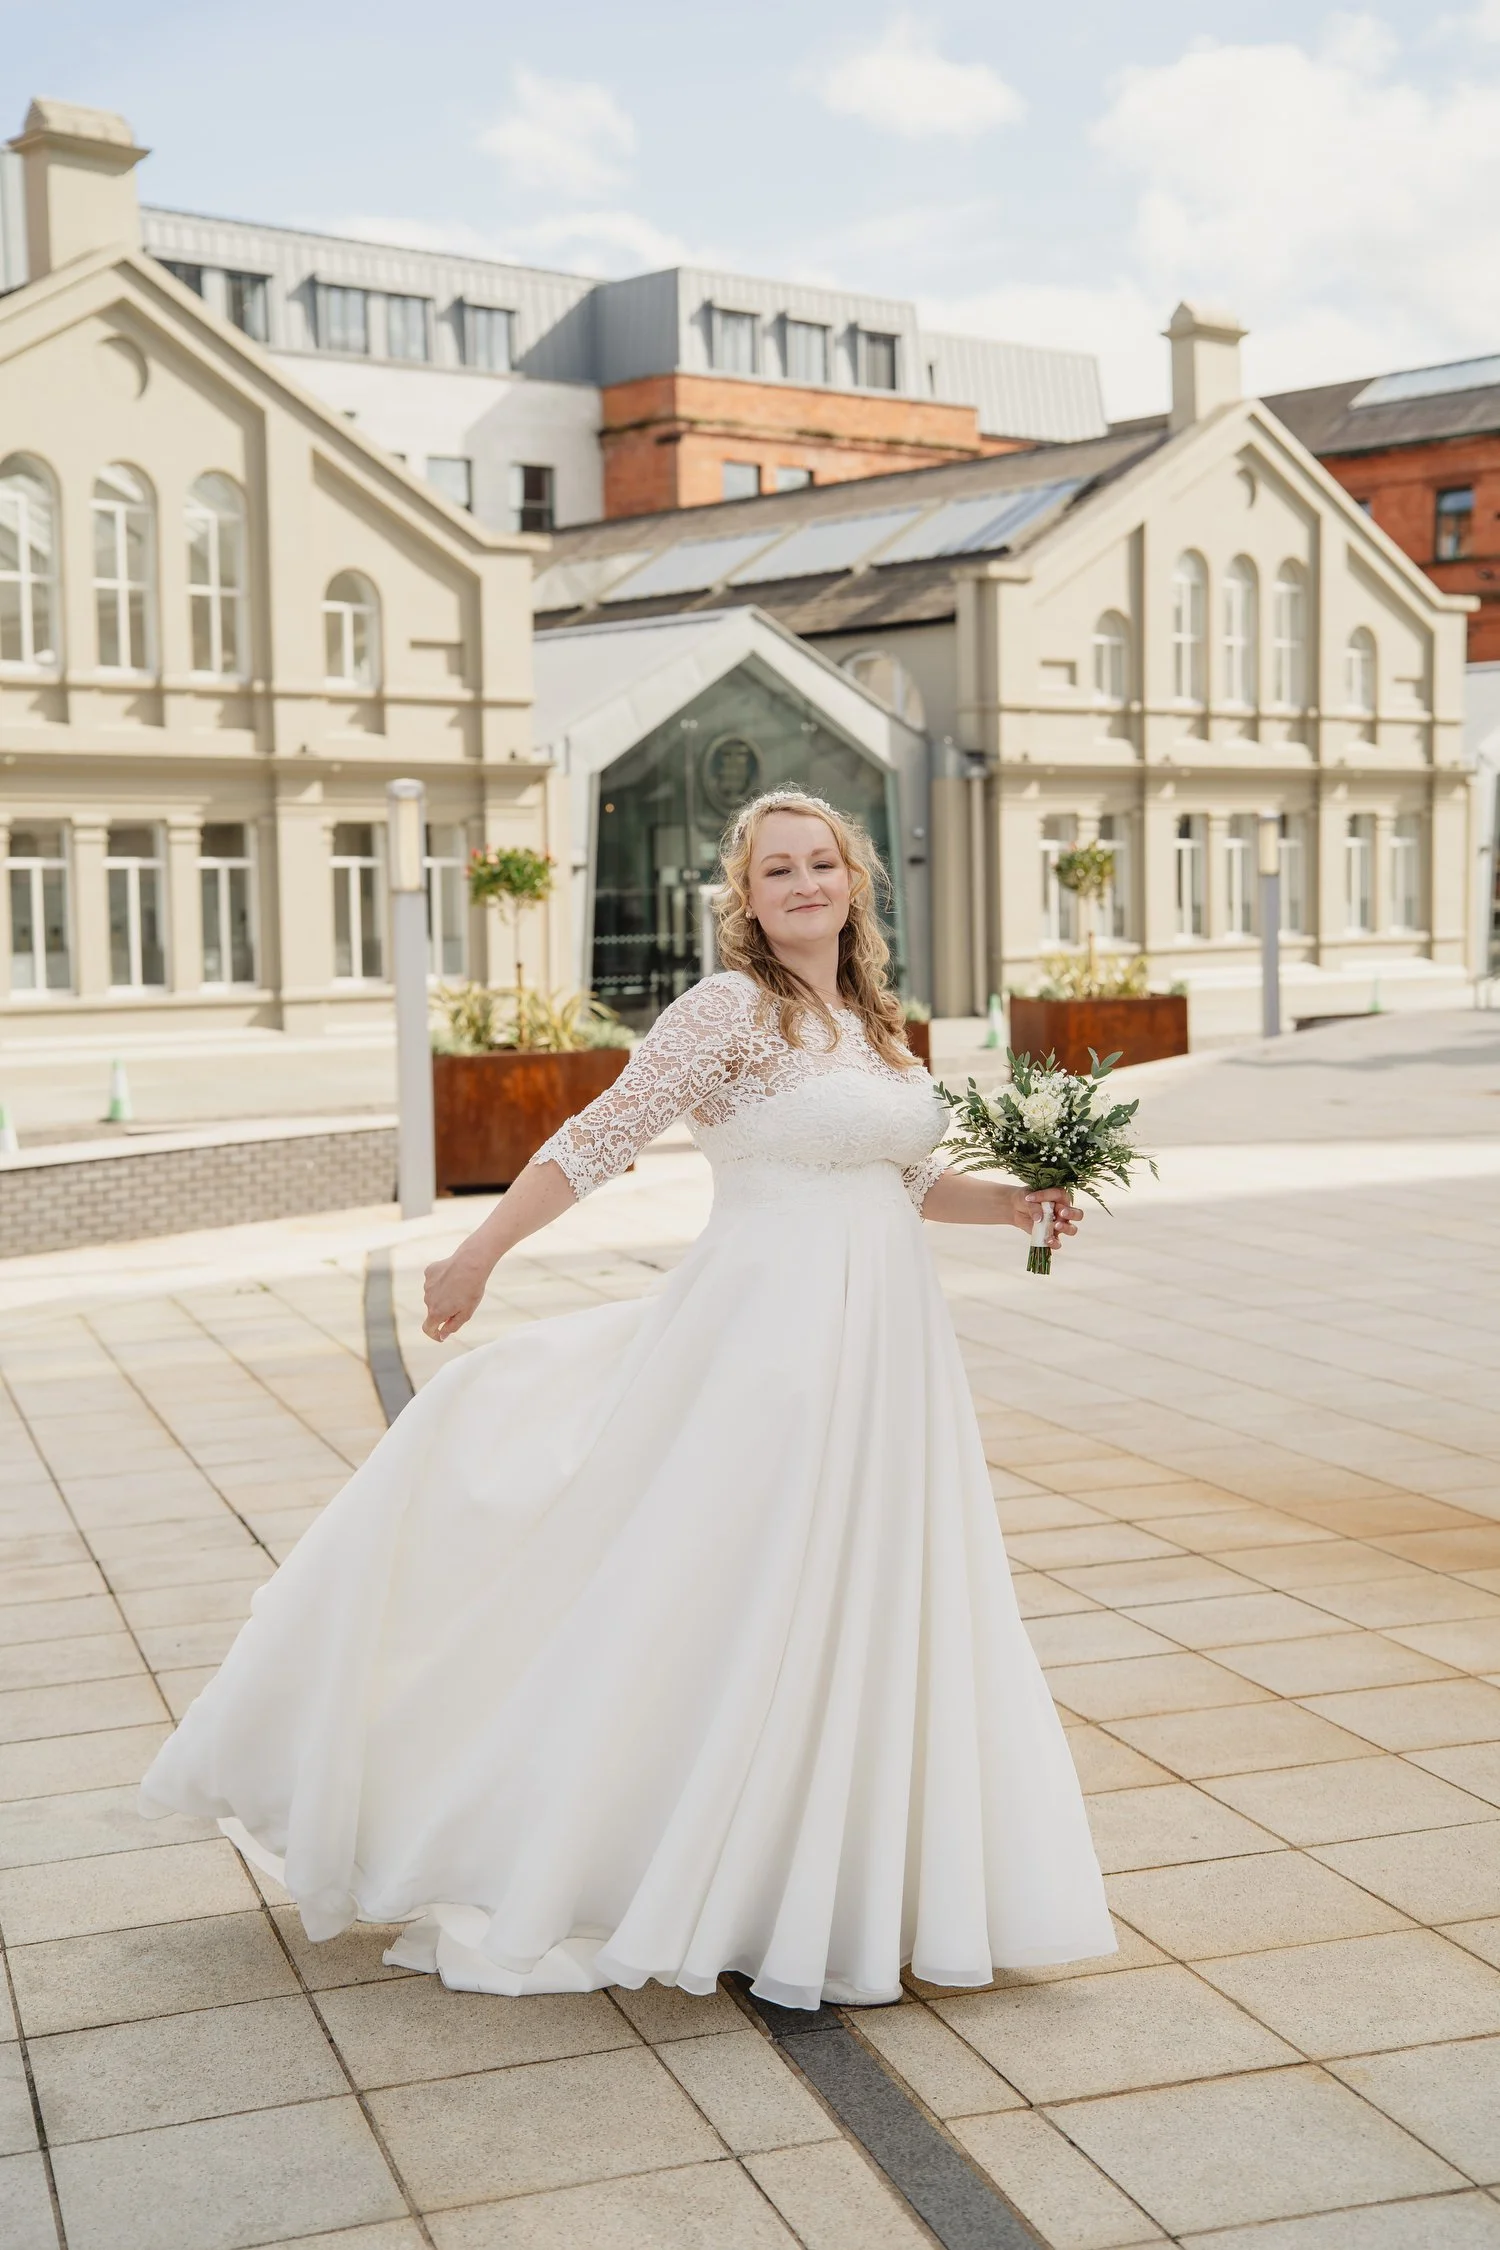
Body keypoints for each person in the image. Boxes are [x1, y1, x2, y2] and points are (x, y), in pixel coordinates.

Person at [140, 790, 1116, 2008]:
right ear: (746, 898)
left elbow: (908, 1180)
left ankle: (819, 1872)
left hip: (890, 1353)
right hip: (766, 1341)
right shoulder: (729, 1012)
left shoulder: (875, 1022)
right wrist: (479, 1252)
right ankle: (669, 1854)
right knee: (740, 1587)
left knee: (861, 1585)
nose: (805, 884)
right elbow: (599, 1136)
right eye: (779, 870)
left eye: (822, 864)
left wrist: (1019, 1204)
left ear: (855, 882)